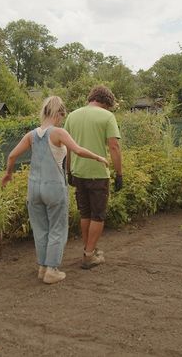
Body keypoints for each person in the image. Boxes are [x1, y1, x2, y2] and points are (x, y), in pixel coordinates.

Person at [1, 96, 108, 284]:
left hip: (34, 189)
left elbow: (11, 156)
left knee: (41, 229)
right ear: (58, 113)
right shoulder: (58, 133)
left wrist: (8, 174)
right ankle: (52, 270)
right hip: (54, 188)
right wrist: (99, 157)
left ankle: (42, 267)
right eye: (62, 115)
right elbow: (78, 150)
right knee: (57, 228)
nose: (61, 119)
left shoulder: (31, 135)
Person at [64, 85, 122, 269]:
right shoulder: (107, 116)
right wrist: (119, 173)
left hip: (78, 172)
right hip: (98, 173)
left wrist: (68, 171)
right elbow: (114, 147)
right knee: (98, 215)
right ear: (105, 102)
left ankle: (89, 249)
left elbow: (68, 148)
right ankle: (89, 256)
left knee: (85, 213)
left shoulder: (72, 116)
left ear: (91, 98)